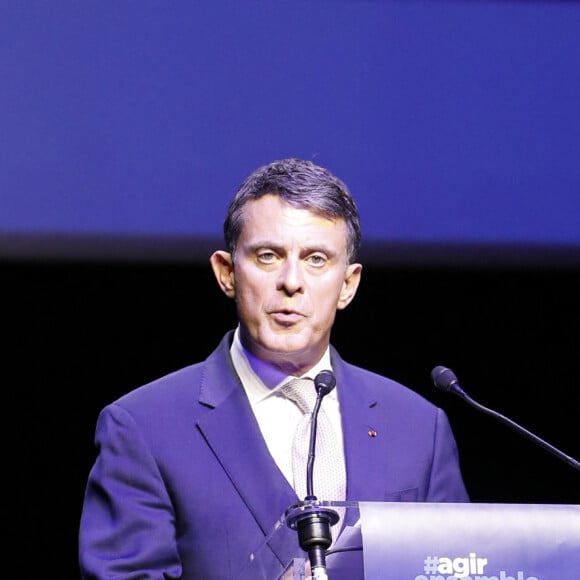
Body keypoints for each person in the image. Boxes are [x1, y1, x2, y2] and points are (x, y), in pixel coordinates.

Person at [78, 157, 470, 579]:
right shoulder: (144, 428)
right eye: (268, 256)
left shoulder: (418, 428)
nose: (292, 281)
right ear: (226, 272)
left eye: (317, 259)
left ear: (348, 284)